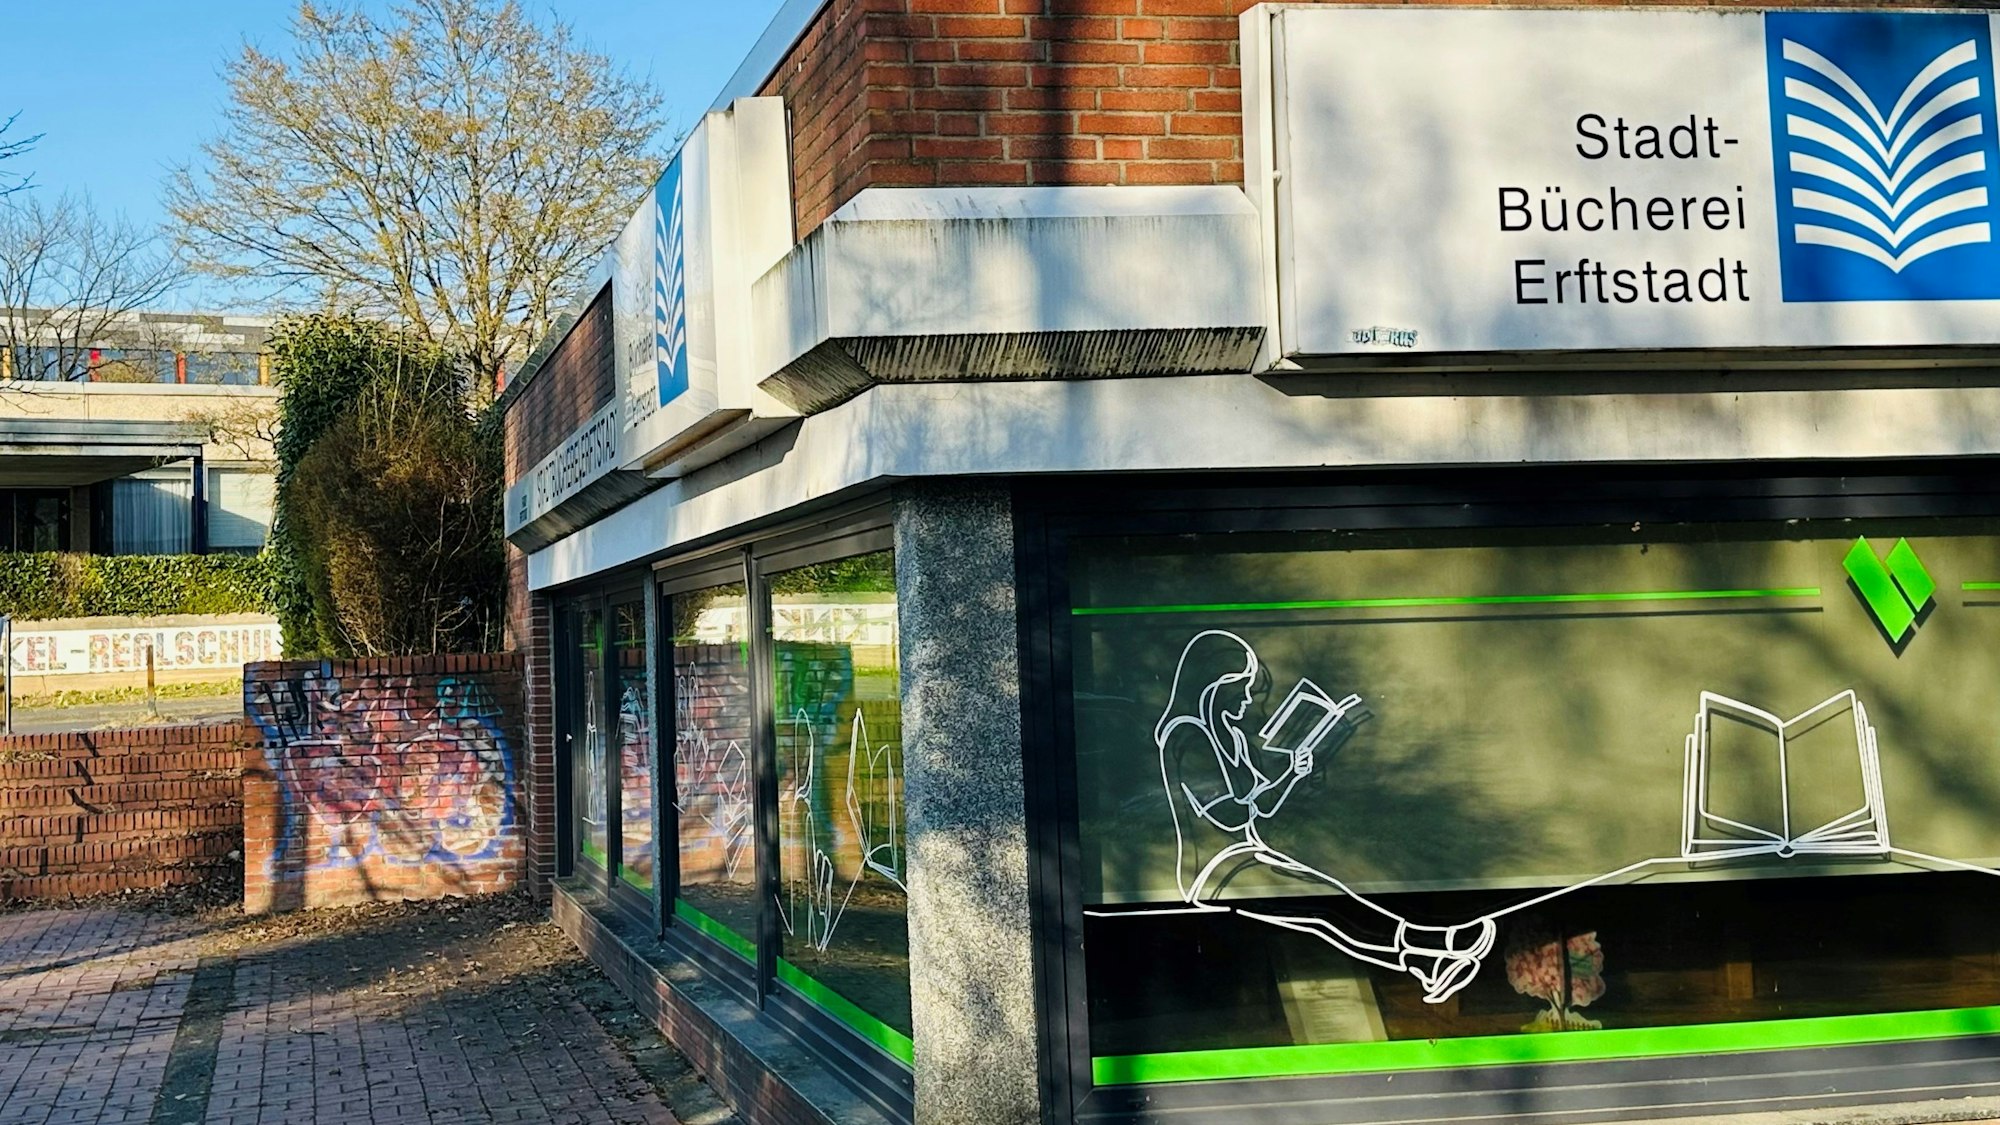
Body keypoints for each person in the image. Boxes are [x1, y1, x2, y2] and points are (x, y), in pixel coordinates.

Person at [1154, 630, 1496, 1004]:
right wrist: (1286, 777)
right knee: (1323, 906)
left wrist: (1299, 771)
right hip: (1213, 871)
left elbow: (1263, 805)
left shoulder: (1234, 739)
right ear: (1212, 685)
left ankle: (1423, 959)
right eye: (1241, 686)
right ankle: (1429, 943)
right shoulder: (1186, 737)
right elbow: (1232, 814)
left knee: (1327, 899)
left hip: (1251, 853)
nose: (1250, 698)